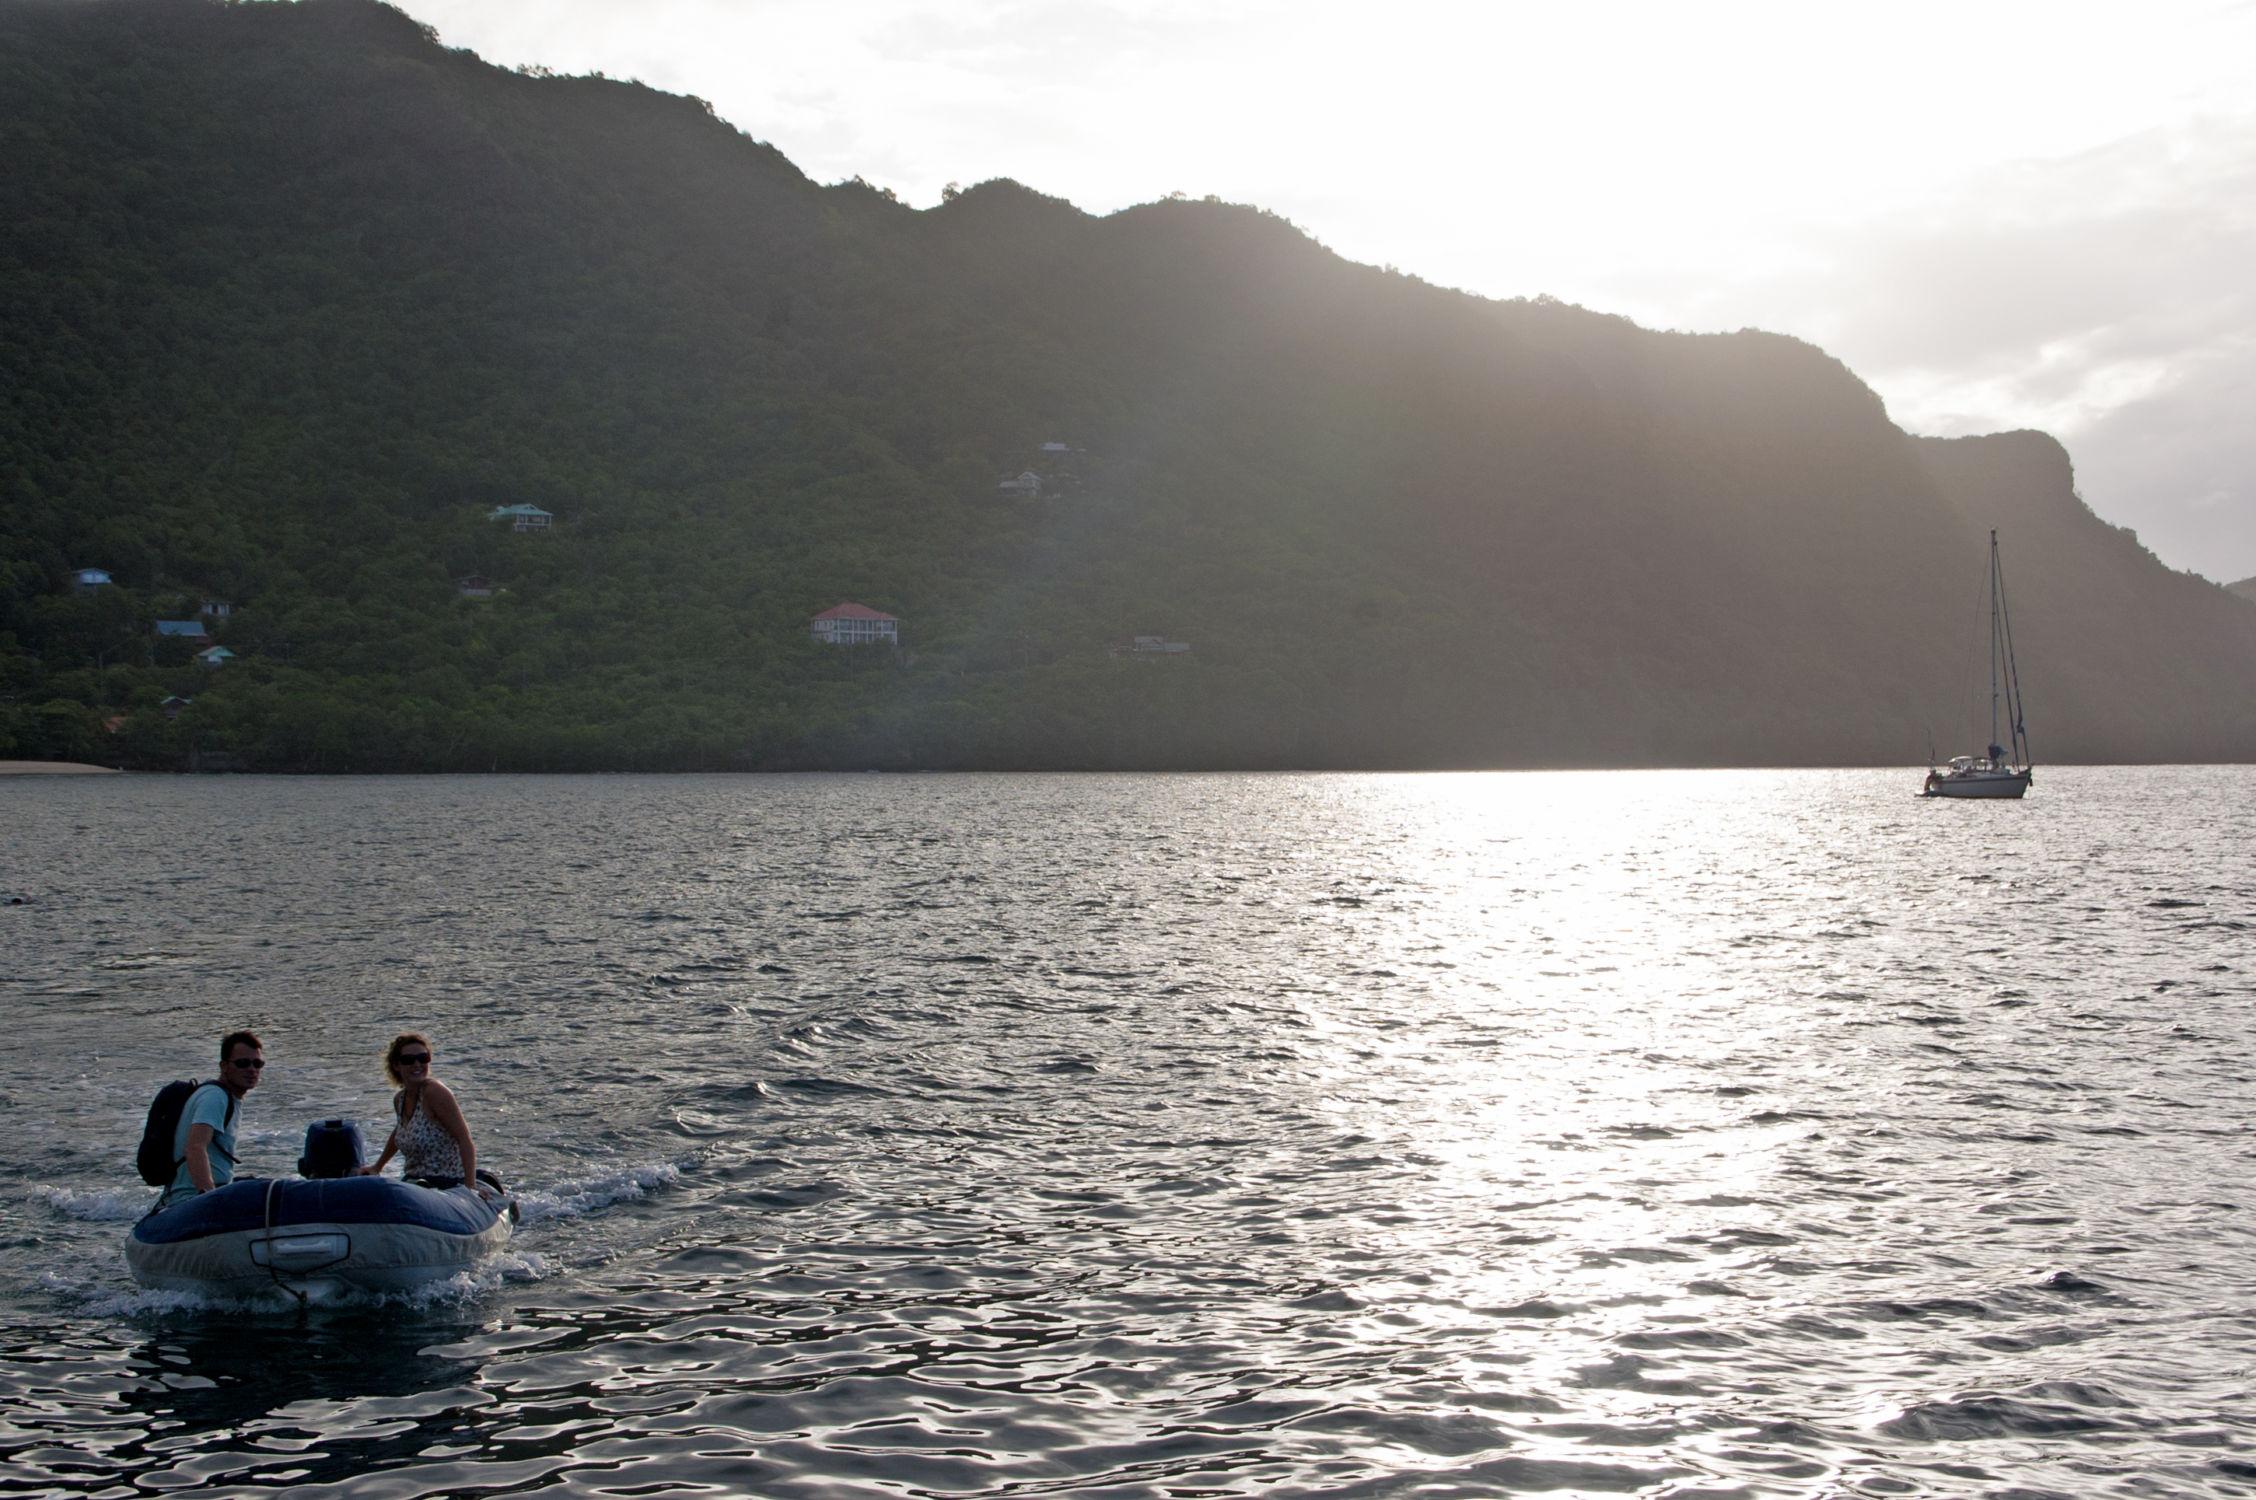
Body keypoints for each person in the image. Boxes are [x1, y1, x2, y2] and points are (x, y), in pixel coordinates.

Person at [359, 1032, 482, 1195]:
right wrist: (377, 1167)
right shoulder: (400, 1099)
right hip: (415, 1182)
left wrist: (470, 1187)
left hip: (447, 1183)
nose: (417, 1064)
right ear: (396, 1065)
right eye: (408, 1060)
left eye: (423, 1058)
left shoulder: (434, 1092)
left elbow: (464, 1139)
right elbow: (401, 1130)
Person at [159, 1030, 264, 1210]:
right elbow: (195, 1148)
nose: (251, 1069)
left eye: (257, 1063)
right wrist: (209, 1200)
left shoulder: (223, 1096)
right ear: (224, 1066)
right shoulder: (215, 1097)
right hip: (187, 1200)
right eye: (242, 1063)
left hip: (197, 1195)